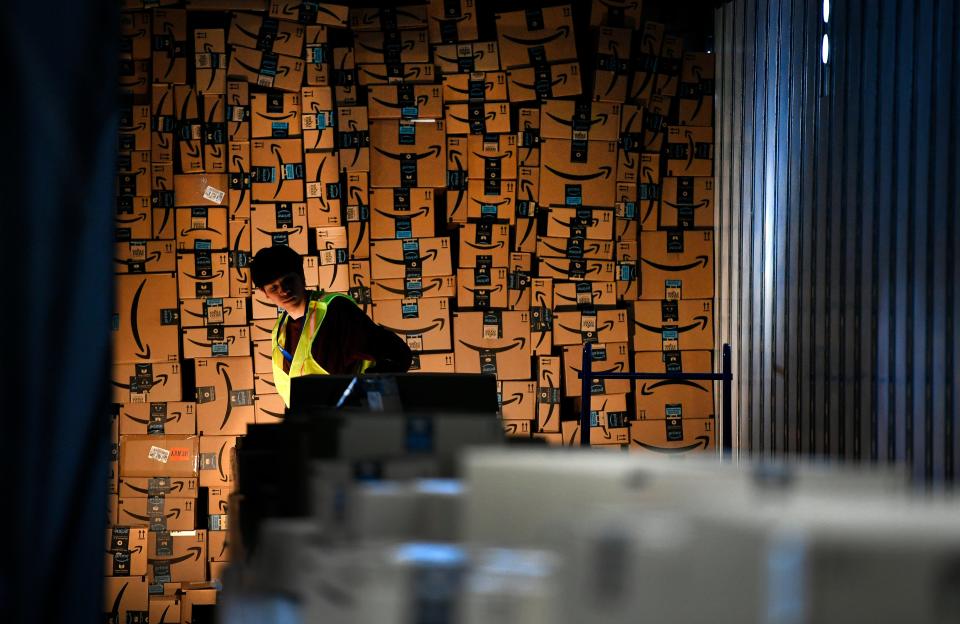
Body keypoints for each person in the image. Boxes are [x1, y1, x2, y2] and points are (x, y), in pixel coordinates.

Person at [250, 245, 412, 407]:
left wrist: (364, 399)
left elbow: (398, 355)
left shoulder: (335, 310)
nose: (284, 291)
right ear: (265, 293)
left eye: (288, 280)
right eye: (274, 287)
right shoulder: (279, 331)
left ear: (302, 276)